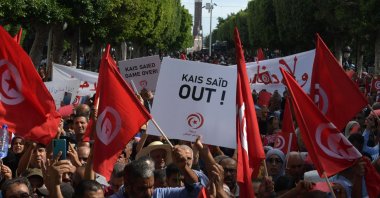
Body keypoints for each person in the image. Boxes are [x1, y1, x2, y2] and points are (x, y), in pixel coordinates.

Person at [111, 145, 208, 198]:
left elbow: (196, 191)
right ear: (127, 186)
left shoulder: (159, 194)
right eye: (142, 189)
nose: (149, 194)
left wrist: (184, 167)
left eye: (151, 187)